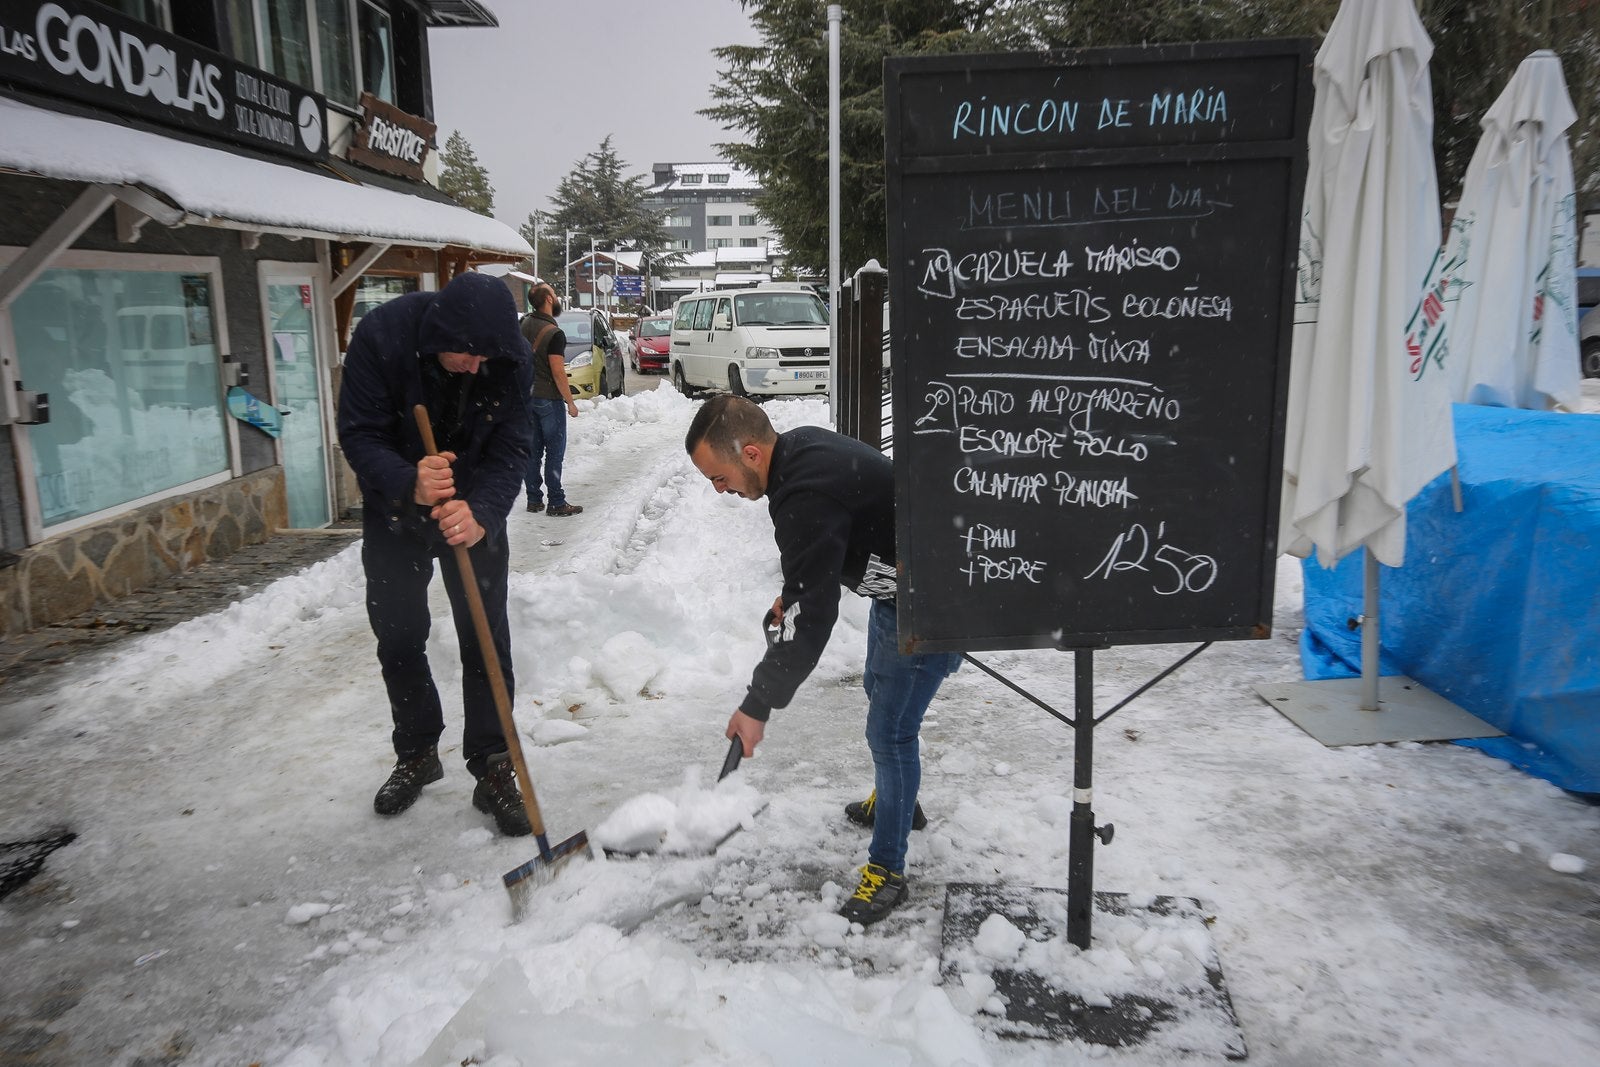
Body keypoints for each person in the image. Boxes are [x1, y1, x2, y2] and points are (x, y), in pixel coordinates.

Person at [684, 395, 961, 926]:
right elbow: (824, 548)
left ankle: (888, 869)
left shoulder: (801, 493)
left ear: (749, 453)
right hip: (898, 590)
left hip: (933, 602)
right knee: (880, 693)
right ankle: (896, 802)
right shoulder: (798, 453)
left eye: (718, 477)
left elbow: (814, 623)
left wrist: (756, 705)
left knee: (891, 731)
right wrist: (796, 592)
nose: (720, 491)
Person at [336, 271, 536, 837]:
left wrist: (483, 512)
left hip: (471, 512)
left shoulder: (509, 356)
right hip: (399, 508)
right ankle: (418, 751)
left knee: (485, 636)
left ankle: (494, 766)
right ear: (439, 334)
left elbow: (514, 444)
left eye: (485, 359)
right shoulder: (383, 336)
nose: (476, 367)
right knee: (399, 634)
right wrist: (408, 481)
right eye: (465, 356)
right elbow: (358, 433)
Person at [521, 283, 583, 516]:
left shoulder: (523, 324)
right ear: (548, 299)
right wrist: (570, 402)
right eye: (554, 294)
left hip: (527, 398)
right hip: (549, 398)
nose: (556, 298)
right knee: (554, 453)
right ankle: (556, 501)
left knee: (533, 451)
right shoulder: (554, 333)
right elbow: (558, 371)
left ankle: (533, 499)